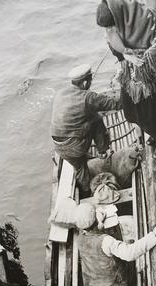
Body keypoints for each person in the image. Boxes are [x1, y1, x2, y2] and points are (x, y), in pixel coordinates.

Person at [96, 0, 156, 159]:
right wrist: (124, 53)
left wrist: (143, 57)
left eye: (111, 27)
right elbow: (114, 44)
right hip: (132, 78)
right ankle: (153, 132)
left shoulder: (146, 19)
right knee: (132, 110)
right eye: (108, 28)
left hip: (154, 79)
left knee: (154, 112)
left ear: (119, 16)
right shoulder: (117, 27)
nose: (109, 32)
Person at [50, 64, 122, 195]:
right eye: (90, 81)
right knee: (97, 119)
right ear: (84, 83)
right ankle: (102, 152)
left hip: (59, 147)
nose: (90, 83)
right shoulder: (88, 97)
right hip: (75, 147)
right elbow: (114, 104)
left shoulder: (60, 93)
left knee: (80, 166)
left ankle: (86, 191)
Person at [75, 203, 156, 286]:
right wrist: (154, 235)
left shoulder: (80, 239)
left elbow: (94, 233)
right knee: (131, 246)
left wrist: (99, 220)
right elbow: (130, 254)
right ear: (96, 221)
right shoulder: (106, 241)